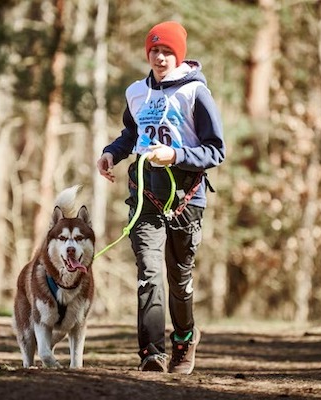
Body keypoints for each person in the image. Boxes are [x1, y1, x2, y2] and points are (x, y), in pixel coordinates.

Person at [96, 21, 225, 374]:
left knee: (179, 279)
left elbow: (216, 151)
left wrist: (176, 155)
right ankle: (152, 353)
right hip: (146, 195)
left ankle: (184, 341)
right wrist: (111, 152)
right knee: (149, 274)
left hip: (187, 196)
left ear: (178, 54)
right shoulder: (137, 92)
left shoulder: (196, 93)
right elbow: (131, 134)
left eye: (167, 51)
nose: (160, 57)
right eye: (154, 50)